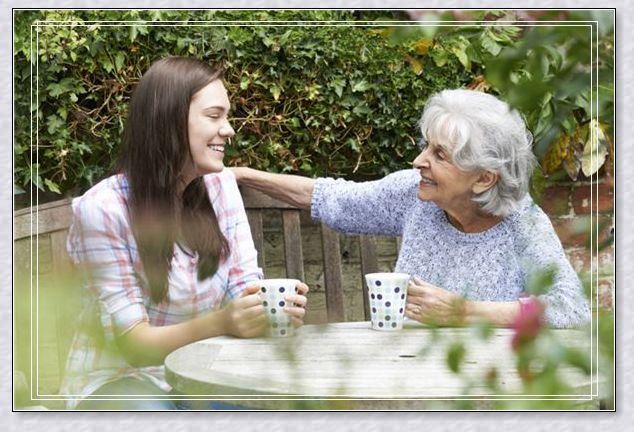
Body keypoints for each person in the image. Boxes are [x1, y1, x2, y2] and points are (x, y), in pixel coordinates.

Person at [60, 56, 309, 410]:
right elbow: (132, 344)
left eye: (227, 116)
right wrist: (223, 322)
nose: (229, 129)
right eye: (214, 116)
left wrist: (268, 309)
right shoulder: (103, 209)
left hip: (203, 376)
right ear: (170, 121)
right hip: (120, 383)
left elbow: (243, 286)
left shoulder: (220, 186)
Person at [232, 89, 590, 329]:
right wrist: (244, 175)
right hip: (405, 375)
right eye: (426, 147)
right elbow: (332, 198)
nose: (419, 161)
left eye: (439, 155)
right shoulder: (414, 195)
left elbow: (572, 309)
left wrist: (464, 312)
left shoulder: (522, 224)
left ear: (483, 179)